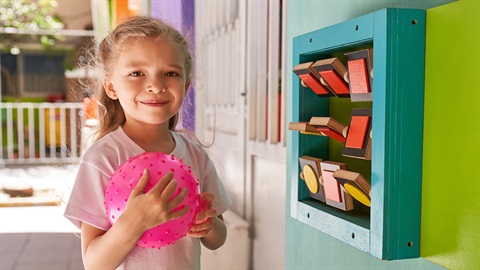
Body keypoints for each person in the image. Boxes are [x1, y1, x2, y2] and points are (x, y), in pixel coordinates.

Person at [64, 16, 232, 269]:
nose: (155, 85)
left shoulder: (195, 155)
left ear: (186, 86)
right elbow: (95, 263)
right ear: (111, 87)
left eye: (170, 73)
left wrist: (208, 224)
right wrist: (134, 221)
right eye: (136, 73)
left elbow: (218, 239)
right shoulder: (104, 158)